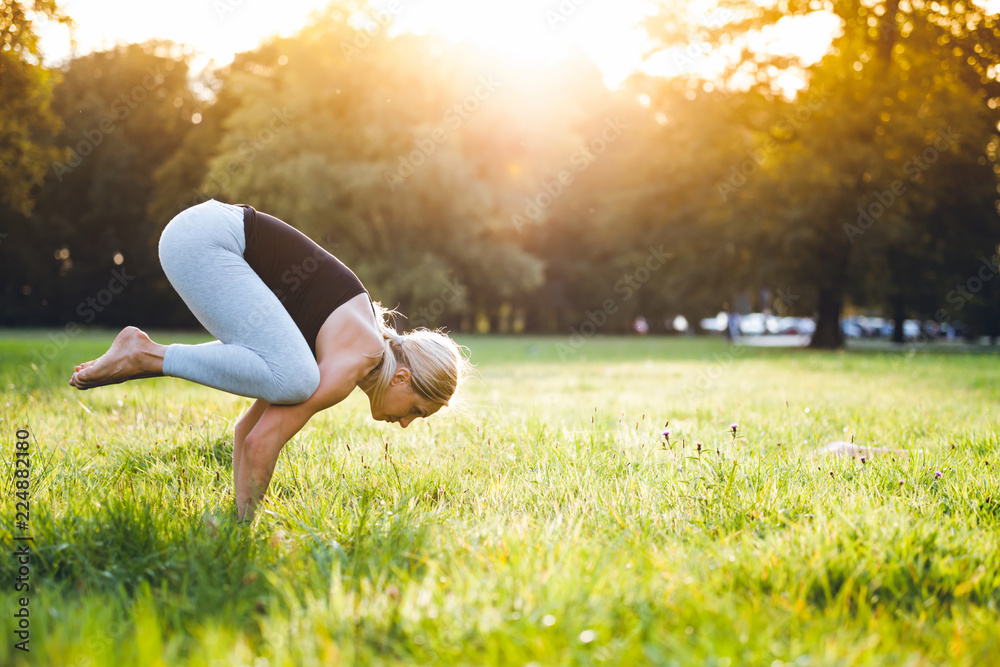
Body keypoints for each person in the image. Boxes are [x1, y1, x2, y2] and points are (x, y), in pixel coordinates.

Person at [68, 199, 469, 521]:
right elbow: (264, 443)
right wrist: (243, 526)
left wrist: (235, 516)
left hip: (199, 233)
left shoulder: (345, 344)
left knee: (295, 375)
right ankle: (146, 355)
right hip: (207, 241)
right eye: (416, 410)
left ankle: (145, 354)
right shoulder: (358, 355)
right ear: (401, 378)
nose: (404, 424)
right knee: (296, 379)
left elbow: (249, 431)